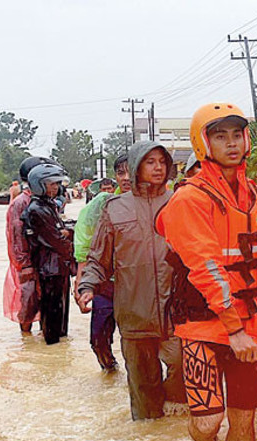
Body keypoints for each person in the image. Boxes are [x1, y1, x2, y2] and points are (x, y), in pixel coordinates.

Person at [155, 102, 257, 441]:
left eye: (237, 134)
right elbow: (205, 269)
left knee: (244, 419)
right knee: (208, 423)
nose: (232, 143)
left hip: (250, 324)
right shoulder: (190, 199)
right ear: (204, 143)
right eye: (220, 136)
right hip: (204, 327)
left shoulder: (255, 196)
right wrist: (234, 327)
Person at [78, 142, 185, 418]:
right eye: (150, 162)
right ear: (137, 167)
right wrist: (87, 286)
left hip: (177, 312)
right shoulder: (115, 208)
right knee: (142, 394)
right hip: (133, 312)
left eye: (162, 161)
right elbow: (98, 257)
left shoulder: (180, 202)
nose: (158, 167)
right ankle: (148, 437)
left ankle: (172, 421)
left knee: (184, 368)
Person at [73, 155, 130, 371]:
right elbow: (84, 245)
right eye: (120, 173)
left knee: (139, 343)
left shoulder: (151, 203)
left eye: (130, 171)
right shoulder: (102, 205)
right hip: (105, 283)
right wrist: (81, 282)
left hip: (136, 286)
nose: (125, 178)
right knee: (98, 337)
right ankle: (109, 369)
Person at [22, 163, 74, 344]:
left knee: (59, 310)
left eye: (56, 183)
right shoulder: (37, 209)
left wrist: (68, 232)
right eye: (52, 184)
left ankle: (57, 347)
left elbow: (60, 232)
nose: (56, 187)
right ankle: (52, 345)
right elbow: (56, 240)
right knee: (52, 311)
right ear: (40, 184)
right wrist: (69, 240)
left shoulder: (47, 205)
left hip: (56, 266)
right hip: (49, 267)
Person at [4, 157, 54, 333]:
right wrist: (25, 264)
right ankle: (26, 341)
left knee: (44, 302)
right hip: (29, 263)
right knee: (28, 304)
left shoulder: (43, 200)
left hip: (44, 262)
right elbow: (16, 237)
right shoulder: (21, 203)